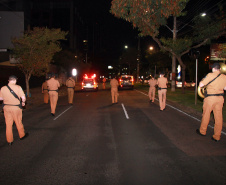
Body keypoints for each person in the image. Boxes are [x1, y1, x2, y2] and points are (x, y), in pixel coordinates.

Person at [196, 63, 226, 142]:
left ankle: (202, 131)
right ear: (219, 69)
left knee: (206, 114)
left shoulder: (210, 75)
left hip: (210, 98)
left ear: (213, 69)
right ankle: (217, 136)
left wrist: (202, 80)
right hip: (220, 99)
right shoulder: (224, 77)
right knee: (218, 117)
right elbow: (225, 88)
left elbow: (201, 85)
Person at [0, 75, 29, 145]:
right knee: (18, 122)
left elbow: (0, 99)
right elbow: (23, 97)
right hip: (16, 108)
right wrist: (23, 103)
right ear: (15, 80)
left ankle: (9, 140)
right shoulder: (18, 87)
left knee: (8, 124)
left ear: (9, 80)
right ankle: (22, 135)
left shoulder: (3, 88)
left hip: (6, 108)